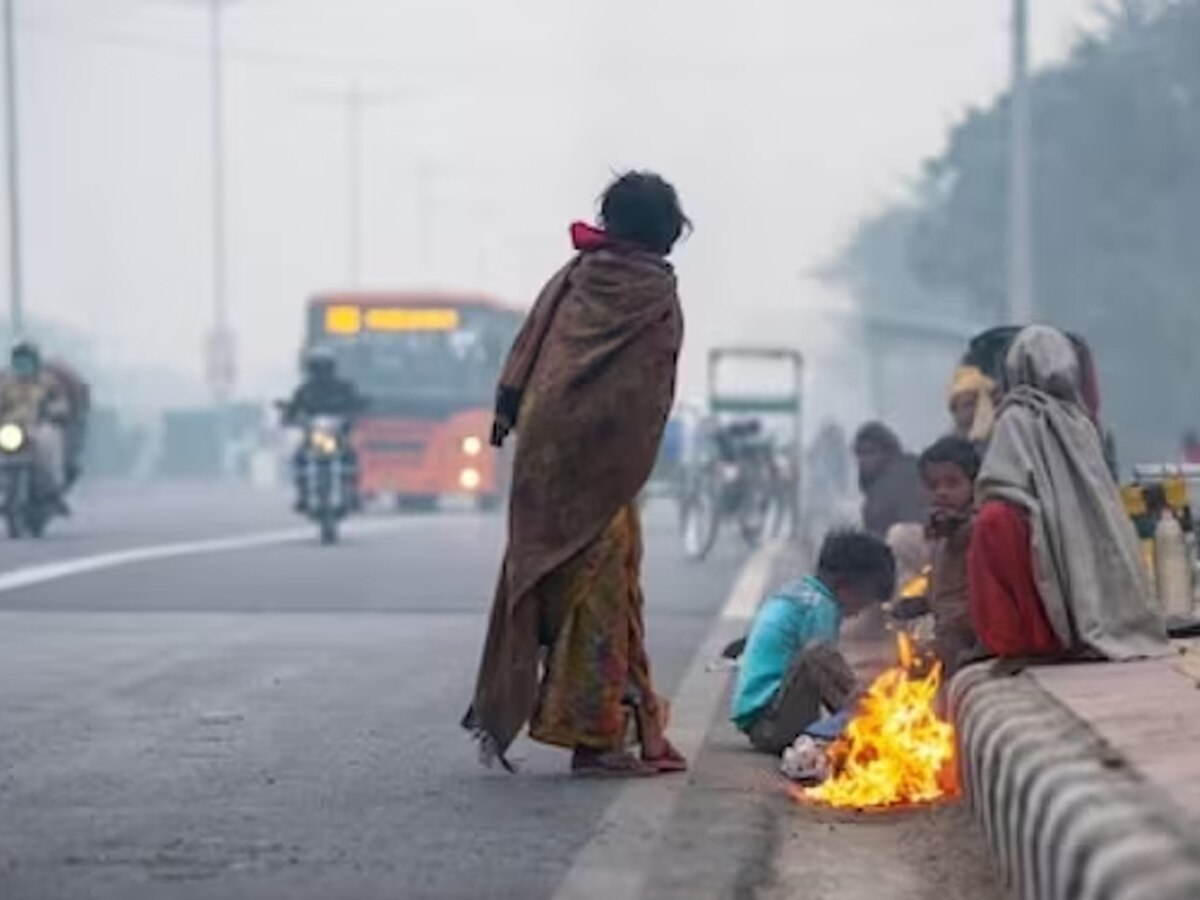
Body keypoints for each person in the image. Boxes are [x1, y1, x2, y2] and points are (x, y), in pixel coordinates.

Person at [462, 171, 690, 777]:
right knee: (602, 590)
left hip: (544, 450)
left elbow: (529, 351)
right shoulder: (653, 290)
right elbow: (647, 389)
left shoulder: (575, 277)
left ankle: (636, 725)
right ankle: (596, 741)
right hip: (603, 461)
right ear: (666, 229)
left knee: (576, 579)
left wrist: (510, 411)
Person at [968, 325, 1167, 660]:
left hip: (1034, 542)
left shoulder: (1015, 418)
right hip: (1070, 537)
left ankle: (1028, 637)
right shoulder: (1081, 423)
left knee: (994, 521)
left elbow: (999, 486)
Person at [730, 529, 896, 755]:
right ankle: (866, 724)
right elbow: (825, 667)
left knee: (823, 659)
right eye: (865, 599)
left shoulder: (798, 593)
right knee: (819, 655)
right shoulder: (820, 606)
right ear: (845, 585)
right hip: (771, 724)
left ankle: (860, 719)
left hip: (762, 721)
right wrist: (856, 705)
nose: (859, 612)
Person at [918, 435, 982, 674]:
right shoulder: (942, 533)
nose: (942, 492)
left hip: (972, 642)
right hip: (948, 634)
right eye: (934, 485)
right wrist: (921, 604)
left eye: (953, 483)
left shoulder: (978, 530)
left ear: (975, 485)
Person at [282, 347, 365, 512]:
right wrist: (290, 417)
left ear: (332, 367)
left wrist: (354, 415)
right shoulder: (305, 390)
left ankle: (353, 494)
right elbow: (293, 408)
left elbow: (355, 404)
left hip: (337, 434)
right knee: (299, 458)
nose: (321, 371)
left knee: (351, 458)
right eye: (317, 367)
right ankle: (303, 495)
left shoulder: (343, 387)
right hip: (314, 435)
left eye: (324, 366)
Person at [0, 341, 71, 508]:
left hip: (38, 427)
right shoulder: (5, 382)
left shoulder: (48, 382)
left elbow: (61, 402)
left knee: (50, 439)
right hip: (10, 430)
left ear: (35, 363)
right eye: (19, 362)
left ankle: (54, 487)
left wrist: (56, 411)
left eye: (27, 362)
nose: (23, 366)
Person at [854, 421, 925, 539]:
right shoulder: (877, 484)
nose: (863, 460)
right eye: (859, 454)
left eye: (870, 452)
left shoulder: (904, 476)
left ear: (889, 452)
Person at [947, 365, 996, 446]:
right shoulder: (942, 452)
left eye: (976, 404)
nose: (973, 410)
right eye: (967, 405)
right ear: (955, 411)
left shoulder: (998, 439)